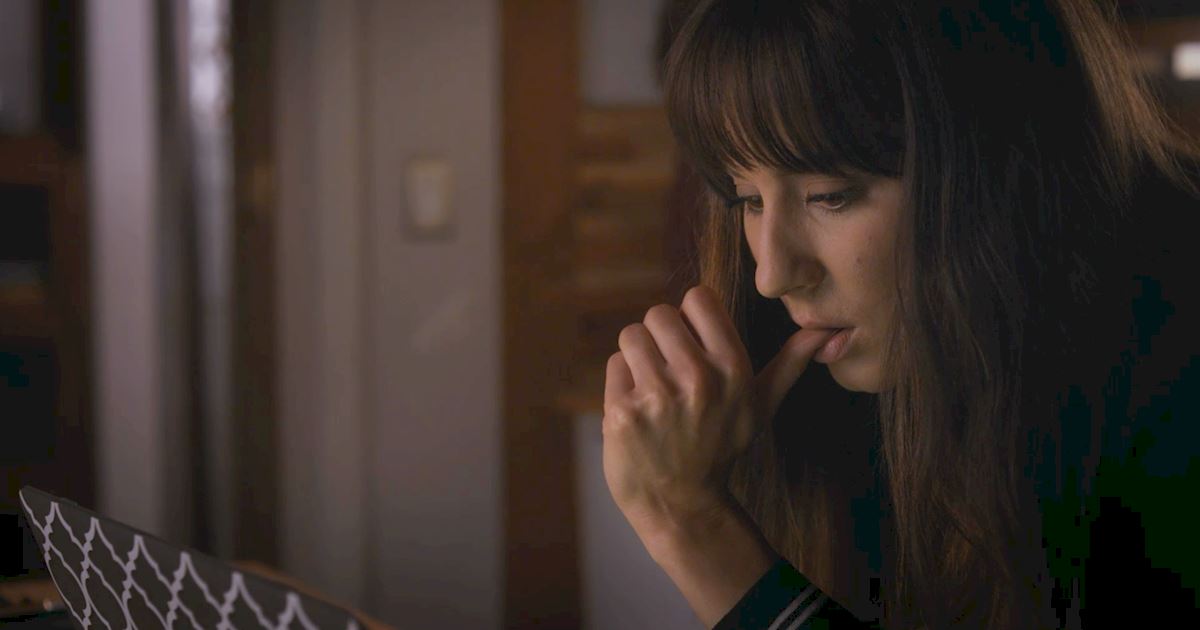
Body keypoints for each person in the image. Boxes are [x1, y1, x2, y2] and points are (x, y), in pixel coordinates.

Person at [599, 1, 1200, 628]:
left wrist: (691, 527)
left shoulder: (1173, 388)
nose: (770, 275)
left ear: (998, 161)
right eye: (747, 199)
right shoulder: (866, 403)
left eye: (829, 195)